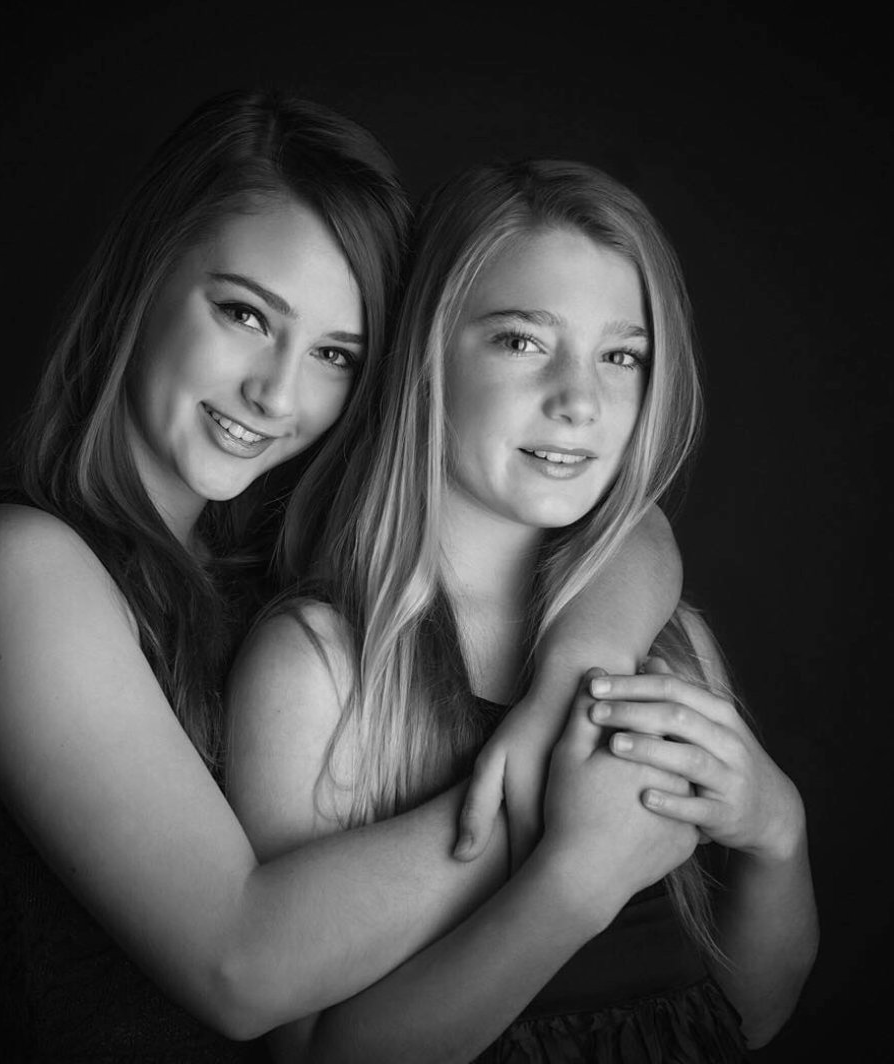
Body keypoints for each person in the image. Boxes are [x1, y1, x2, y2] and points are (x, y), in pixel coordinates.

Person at [0, 91, 684, 1060]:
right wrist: (551, 816)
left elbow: (628, 523)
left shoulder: (266, 533)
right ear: (143, 275)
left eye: (334, 355)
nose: (277, 392)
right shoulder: (15, 569)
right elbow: (241, 967)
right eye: (243, 312)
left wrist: (576, 670)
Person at [225, 159, 819, 1062]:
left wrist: (779, 833)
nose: (579, 401)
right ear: (425, 356)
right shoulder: (321, 666)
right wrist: (572, 887)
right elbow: (303, 1055)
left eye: (621, 355)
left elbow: (749, 1016)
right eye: (522, 341)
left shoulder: (664, 640)